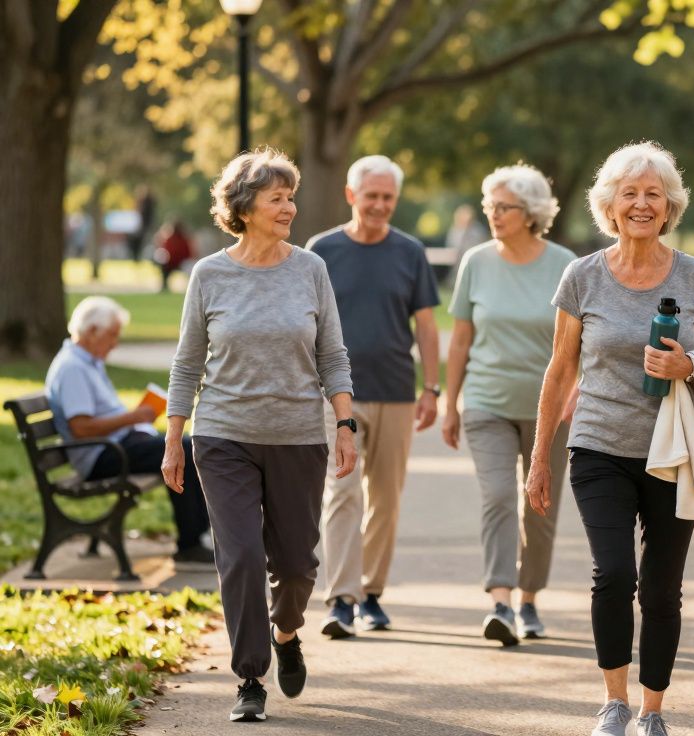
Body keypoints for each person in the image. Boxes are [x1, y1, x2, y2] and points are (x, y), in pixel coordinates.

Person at [525, 142, 694, 736]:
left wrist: (687, 367)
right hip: (597, 447)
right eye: (630, 193)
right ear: (609, 206)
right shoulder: (582, 277)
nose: (642, 203)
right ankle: (613, 702)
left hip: (675, 454)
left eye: (653, 194)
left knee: (663, 589)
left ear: (670, 207)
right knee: (614, 574)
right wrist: (541, 457)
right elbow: (560, 370)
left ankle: (652, 710)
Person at [165, 147, 357, 723]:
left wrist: (344, 424)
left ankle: (286, 630)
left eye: (290, 197)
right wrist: (176, 438)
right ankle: (250, 676)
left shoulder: (310, 270)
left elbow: (333, 355)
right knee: (242, 556)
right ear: (244, 207)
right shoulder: (210, 274)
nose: (289, 208)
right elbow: (186, 364)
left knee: (297, 564)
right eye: (278, 198)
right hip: (224, 436)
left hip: (299, 435)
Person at [306, 155, 441, 639]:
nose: (380, 205)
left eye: (388, 198)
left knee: (386, 496)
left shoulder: (409, 253)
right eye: (372, 196)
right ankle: (341, 598)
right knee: (341, 491)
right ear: (351, 195)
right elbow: (307, 322)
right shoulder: (321, 251)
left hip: (397, 391)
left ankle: (372, 594)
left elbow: (426, 325)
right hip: (336, 393)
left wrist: (431, 388)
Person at [443, 164, 575, 645]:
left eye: (505, 207)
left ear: (531, 212)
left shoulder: (564, 263)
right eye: (490, 207)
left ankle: (529, 600)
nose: (494, 215)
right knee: (499, 495)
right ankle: (499, 600)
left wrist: (575, 392)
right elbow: (460, 340)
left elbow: (578, 343)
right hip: (487, 401)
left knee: (539, 505)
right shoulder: (476, 261)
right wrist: (451, 404)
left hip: (551, 410)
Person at [44, 296, 212, 564]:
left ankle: (198, 534)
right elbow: (81, 427)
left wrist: (137, 420)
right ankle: (191, 542)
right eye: (111, 335)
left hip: (116, 445)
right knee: (184, 449)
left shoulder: (87, 363)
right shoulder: (73, 368)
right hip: (102, 455)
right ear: (91, 332)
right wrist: (133, 417)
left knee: (184, 445)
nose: (115, 343)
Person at [154, 220, 195, 293]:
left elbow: (189, 253)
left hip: (182, 262)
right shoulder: (168, 238)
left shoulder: (184, 238)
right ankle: (164, 286)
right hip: (170, 263)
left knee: (191, 268)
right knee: (164, 268)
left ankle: (193, 288)